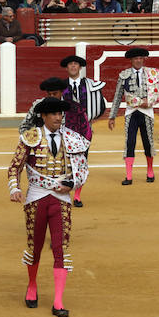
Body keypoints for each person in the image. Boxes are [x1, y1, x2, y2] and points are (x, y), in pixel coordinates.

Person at [8, 97, 89, 317]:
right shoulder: (31, 137)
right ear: (43, 116)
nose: (58, 117)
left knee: (60, 247)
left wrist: (73, 183)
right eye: (53, 114)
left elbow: (82, 169)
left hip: (61, 199)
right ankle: (32, 285)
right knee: (34, 247)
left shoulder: (71, 138)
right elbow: (15, 167)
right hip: (36, 197)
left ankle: (58, 301)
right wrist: (15, 188)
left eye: (60, 114)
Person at [108, 48, 159, 185]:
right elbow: (117, 96)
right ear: (131, 60)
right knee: (130, 142)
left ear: (143, 59)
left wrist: (149, 102)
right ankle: (128, 176)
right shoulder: (124, 75)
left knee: (148, 142)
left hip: (147, 112)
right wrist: (112, 116)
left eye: (140, 58)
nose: (138, 60)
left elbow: (158, 93)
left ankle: (150, 171)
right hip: (131, 112)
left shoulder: (151, 74)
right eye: (135, 58)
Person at [60, 55, 107, 207]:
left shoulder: (90, 85)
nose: (73, 66)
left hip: (84, 129)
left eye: (76, 64)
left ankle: (78, 196)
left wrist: (91, 117)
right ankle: (64, 192)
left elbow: (100, 104)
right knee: (65, 160)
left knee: (82, 160)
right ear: (66, 68)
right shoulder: (60, 85)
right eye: (70, 64)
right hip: (65, 128)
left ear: (80, 68)